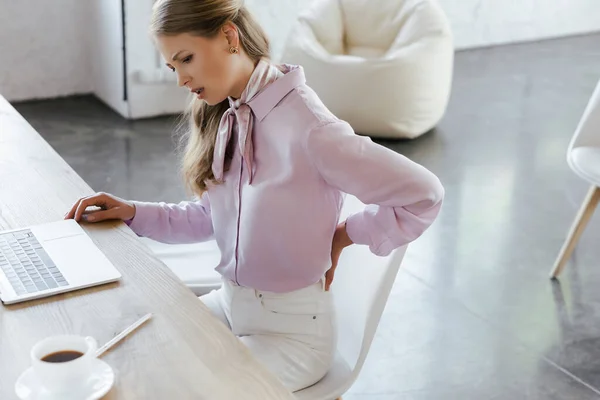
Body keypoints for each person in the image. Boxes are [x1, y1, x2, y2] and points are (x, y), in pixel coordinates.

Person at [65, 0, 444, 392]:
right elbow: (206, 219)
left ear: (229, 36)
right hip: (231, 307)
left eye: (186, 59)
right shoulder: (230, 116)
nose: (181, 79)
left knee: (181, 385)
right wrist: (131, 213)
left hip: (292, 337)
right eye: (172, 67)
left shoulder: (312, 128)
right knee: (135, 352)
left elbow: (424, 194)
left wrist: (345, 233)